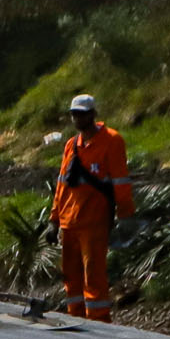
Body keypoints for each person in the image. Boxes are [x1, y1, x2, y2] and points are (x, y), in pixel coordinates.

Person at [54, 93, 136, 321]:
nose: (78, 119)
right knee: (71, 278)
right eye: (74, 114)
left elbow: (120, 181)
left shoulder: (112, 141)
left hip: (94, 222)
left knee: (94, 277)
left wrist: (125, 215)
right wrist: (54, 219)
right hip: (69, 221)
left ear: (92, 114)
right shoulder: (72, 145)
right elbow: (61, 185)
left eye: (82, 114)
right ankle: (74, 320)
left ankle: (98, 324)